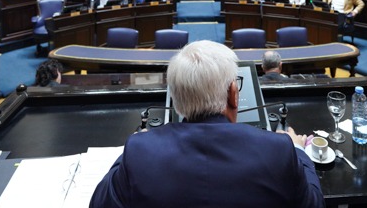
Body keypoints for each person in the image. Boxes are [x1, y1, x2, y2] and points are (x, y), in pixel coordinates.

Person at [91, 40, 322, 208]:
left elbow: (98, 204)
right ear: (233, 94)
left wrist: (134, 146)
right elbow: (313, 203)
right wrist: (299, 150)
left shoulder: (139, 151)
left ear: (176, 102)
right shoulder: (279, 149)